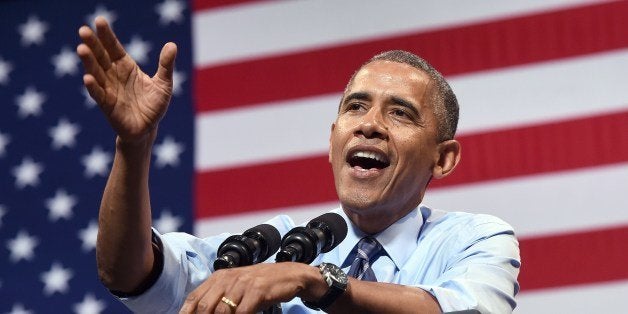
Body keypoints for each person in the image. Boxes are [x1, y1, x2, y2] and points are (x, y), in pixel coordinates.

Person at [77, 16, 520, 314]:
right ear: (332, 142)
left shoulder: (472, 240)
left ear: (443, 159)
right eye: (356, 107)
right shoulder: (278, 247)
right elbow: (129, 273)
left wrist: (316, 281)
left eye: (400, 113)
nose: (370, 125)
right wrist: (134, 147)